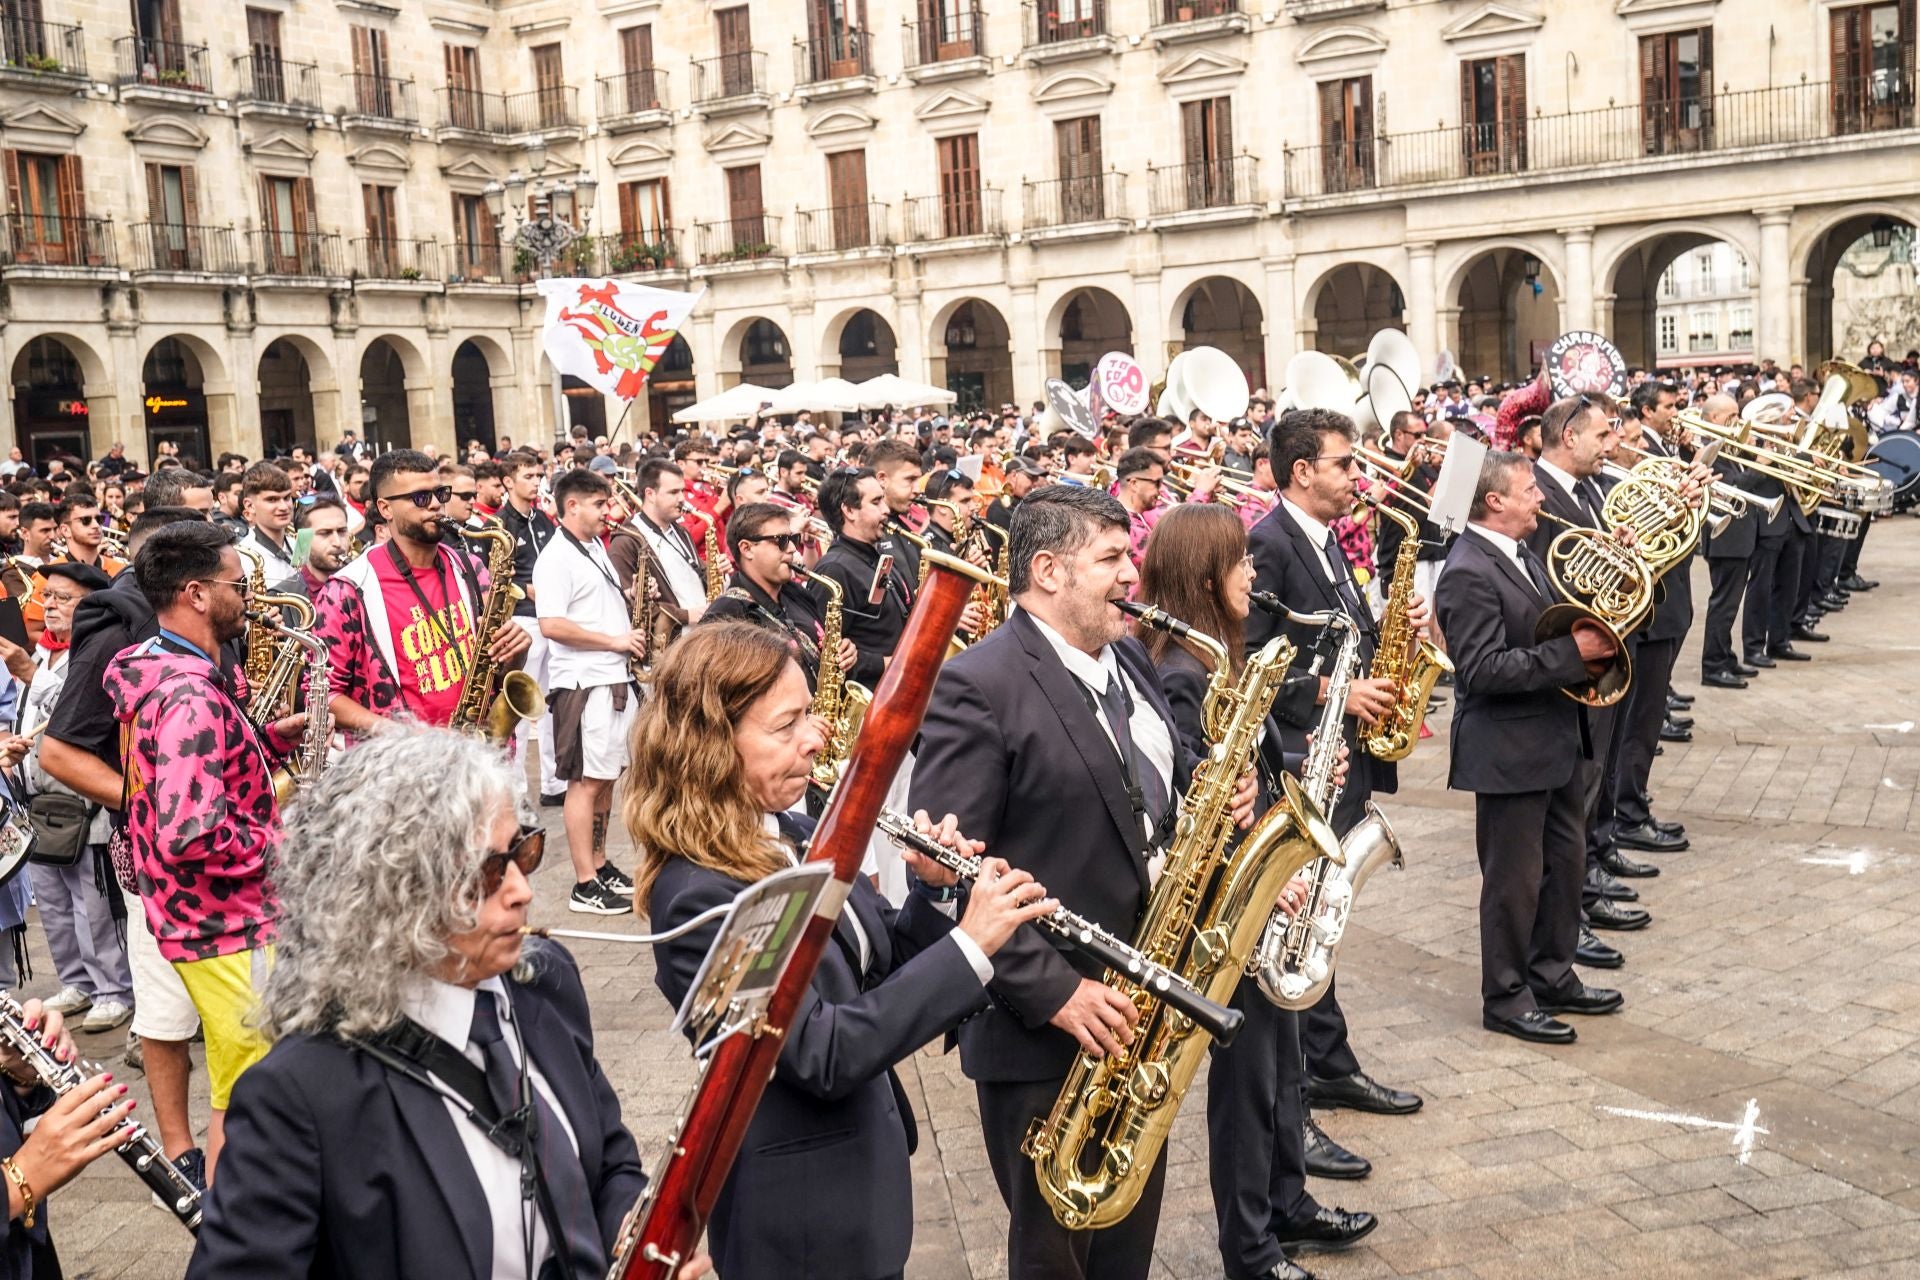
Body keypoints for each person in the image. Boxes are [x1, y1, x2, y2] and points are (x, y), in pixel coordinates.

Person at [184, 726, 709, 1280]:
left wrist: (631, 1225)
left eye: (523, 851)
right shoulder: (299, 1097)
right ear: (395, 895)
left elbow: (607, 1158)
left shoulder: (543, 983)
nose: (523, 890)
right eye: (486, 871)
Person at [910, 485, 1254, 1280]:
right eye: (1111, 558)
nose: (1132, 574)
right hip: (1045, 1029)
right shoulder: (976, 683)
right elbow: (953, 870)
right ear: (1047, 571)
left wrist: (1217, 785)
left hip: (1141, 1008)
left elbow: (1147, 785)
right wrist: (1059, 994)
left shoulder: (1128, 656)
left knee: (1124, 1249)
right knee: (1054, 1257)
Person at [632, 622, 1048, 1280]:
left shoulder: (794, 829)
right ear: (711, 744)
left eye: (811, 716)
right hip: (800, 1219)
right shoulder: (698, 896)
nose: (817, 738)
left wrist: (939, 897)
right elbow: (822, 1053)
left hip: (863, 1182)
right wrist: (973, 945)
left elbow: (876, 965)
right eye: (787, 724)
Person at [1136, 504, 1374, 1280]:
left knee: (1282, 1064)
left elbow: (1249, 767)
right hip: (1231, 905)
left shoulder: (1222, 658)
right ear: (1207, 577)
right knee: (1244, 1087)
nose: (1252, 575)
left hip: (1258, 890)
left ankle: (1288, 1205)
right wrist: (1263, 872)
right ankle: (1252, 1248)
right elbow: (1192, 798)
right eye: (1240, 565)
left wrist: (1303, 767)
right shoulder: (1181, 671)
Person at [1243, 409, 1426, 1167]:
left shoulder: (1319, 541)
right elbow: (1251, 660)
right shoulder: (1268, 543)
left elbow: (1340, 633)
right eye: (1345, 465)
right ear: (1301, 474)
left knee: (1326, 915)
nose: (1358, 477)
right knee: (1304, 922)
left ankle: (1329, 1064)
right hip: (1301, 760)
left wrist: (1395, 625)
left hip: (1337, 760)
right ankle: (1313, 1078)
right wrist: (1332, 693)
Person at [106, 521, 305, 1177]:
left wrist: (267, 743)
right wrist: (286, 840)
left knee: (235, 1091)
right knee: (256, 1097)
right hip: (228, 924)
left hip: (205, 919)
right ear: (195, 593)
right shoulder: (189, 692)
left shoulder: (166, 670)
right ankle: (239, 1234)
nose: (246, 597)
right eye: (236, 585)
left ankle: (230, 1228)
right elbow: (192, 830)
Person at [1435, 451, 1623, 1046]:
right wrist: (1576, 654)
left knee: (1564, 867)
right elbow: (1482, 668)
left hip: (1555, 740)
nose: (1540, 497)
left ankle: (1550, 972)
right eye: (1529, 489)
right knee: (1514, 881)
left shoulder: (1519, 552)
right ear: (1495, 502)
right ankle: (1507, 996)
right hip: (1508, 752)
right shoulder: (1467, 570)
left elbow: (1546, 622)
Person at [312, 450, 530, 736]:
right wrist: (406, 735)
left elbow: (497, 669)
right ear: (385, 508)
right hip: (400, 765)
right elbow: (324, 695)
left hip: (478, 753)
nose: (436, 505)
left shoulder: (471, 568)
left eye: (440, 493)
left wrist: (516, 653)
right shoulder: (346, 591)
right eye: (420, 498)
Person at [18, 562, 134, 1035]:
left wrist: (28, 673)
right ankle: (77, 979)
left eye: (63, 599)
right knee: (52, 902)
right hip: (39, 800)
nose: (50, 607)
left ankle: (113, 989)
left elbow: (74, 709)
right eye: (48, 597)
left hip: (84, 801)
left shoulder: (98, 649)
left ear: (91, 603)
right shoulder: (43, 651)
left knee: (93, 902)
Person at [531, 469, 640, 916]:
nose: (607, 512)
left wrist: (632, 595)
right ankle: (583, 883)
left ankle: (599, 862)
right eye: (599, 504)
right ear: (571, 505)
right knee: (585, 783)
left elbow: (592, 606)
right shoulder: (556, 557)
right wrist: (615, 641)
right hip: (584, 681)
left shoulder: (592, 546)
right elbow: (552, 625)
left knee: (606, 777)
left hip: (610, 677)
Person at [699, 503, 845, 690]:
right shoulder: (724, 615)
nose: (792, 548)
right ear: (747, 548)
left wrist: (843, 655)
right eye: (781, 540)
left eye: (793, 538)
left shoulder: (797, 593)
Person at [805, 468, 911, 688]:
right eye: (876, 502)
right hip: (870, 700)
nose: (886, 510)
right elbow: (824, 655)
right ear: (849, 510)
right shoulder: (834, 570)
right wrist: (887, 663)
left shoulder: (875, 554)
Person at [498, 450, 562, 804]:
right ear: (508, 481)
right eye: (527, 477)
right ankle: (517, 790)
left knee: (551, 705)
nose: (535, 482)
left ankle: (554, 783)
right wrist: (526, 589)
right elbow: (494, 577)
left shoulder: (544, 521)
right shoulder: (500, 524)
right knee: (520, 712)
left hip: (550, 618)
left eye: (538, 476)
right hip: (522, 618)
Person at [610, 459, 708, 646]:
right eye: (673, 492)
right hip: (668, 648)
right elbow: (628, 606)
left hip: (699, 640)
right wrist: (685, 615)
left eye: (682, 491)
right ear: (650, 494)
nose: (681, 499)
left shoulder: (680, 531)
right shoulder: (626, 542)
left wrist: (713, 571)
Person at [237, 462, 298, 586]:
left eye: (286, 497)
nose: (284, 507)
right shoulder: (242, 558)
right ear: (250, 506)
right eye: (272, 499)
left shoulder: (299, 545)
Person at [293, 499, 351, 597]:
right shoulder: (286, 596)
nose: (337, 542)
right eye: (325, 533)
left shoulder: (361, 581)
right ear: (302, 540)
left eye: (341, 531)